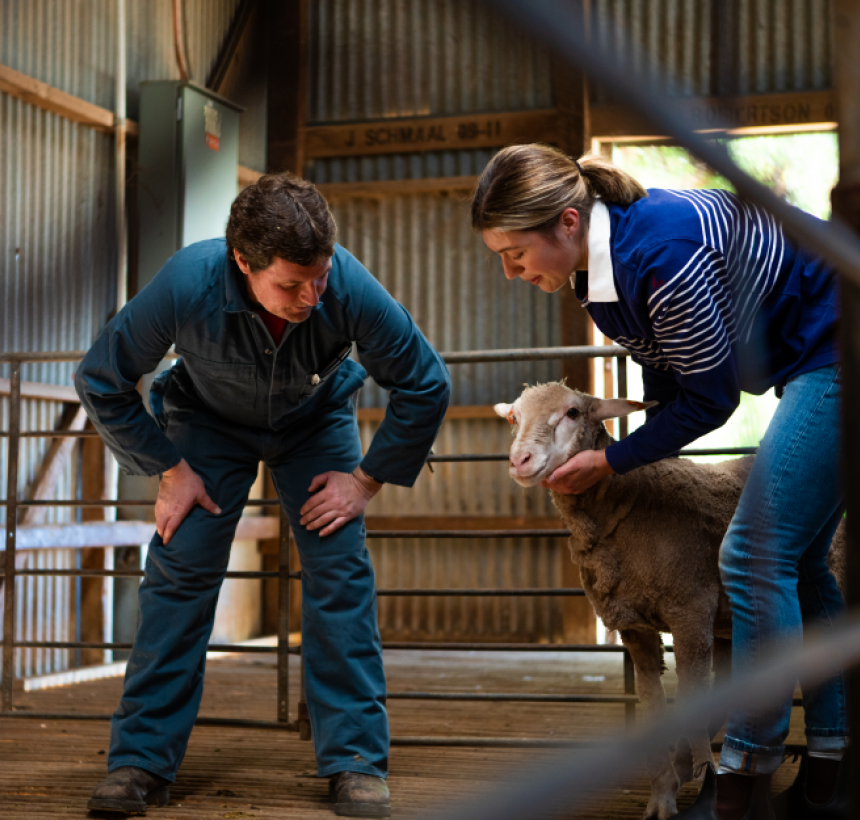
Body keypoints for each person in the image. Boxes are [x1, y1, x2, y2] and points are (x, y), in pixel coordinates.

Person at [471, 144, 847, 820]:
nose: (508, 271)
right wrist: (631, 450)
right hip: (802, 358)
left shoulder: (664, 259)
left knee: (754, 554)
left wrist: (615, 462)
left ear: (565, 222)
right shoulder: (594, 279)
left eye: (513, 252)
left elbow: (710, 400)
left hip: (835, 349)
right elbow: (665, 372)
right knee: (806, 561)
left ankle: (742, 778)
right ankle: (832, 767)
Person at [75, 173, 450, 818]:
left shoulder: (349, 286)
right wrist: (167, 466)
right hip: (206, 426)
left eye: (320, 277)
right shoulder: (186, 282)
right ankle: (139, 760)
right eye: (289, 284)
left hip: (314, 422)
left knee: (339, 573)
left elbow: (426, 383)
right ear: (242, 262)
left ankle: (356, 761)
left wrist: (364, 480)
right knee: (179, 570)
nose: (310, 296)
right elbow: (101, 377)